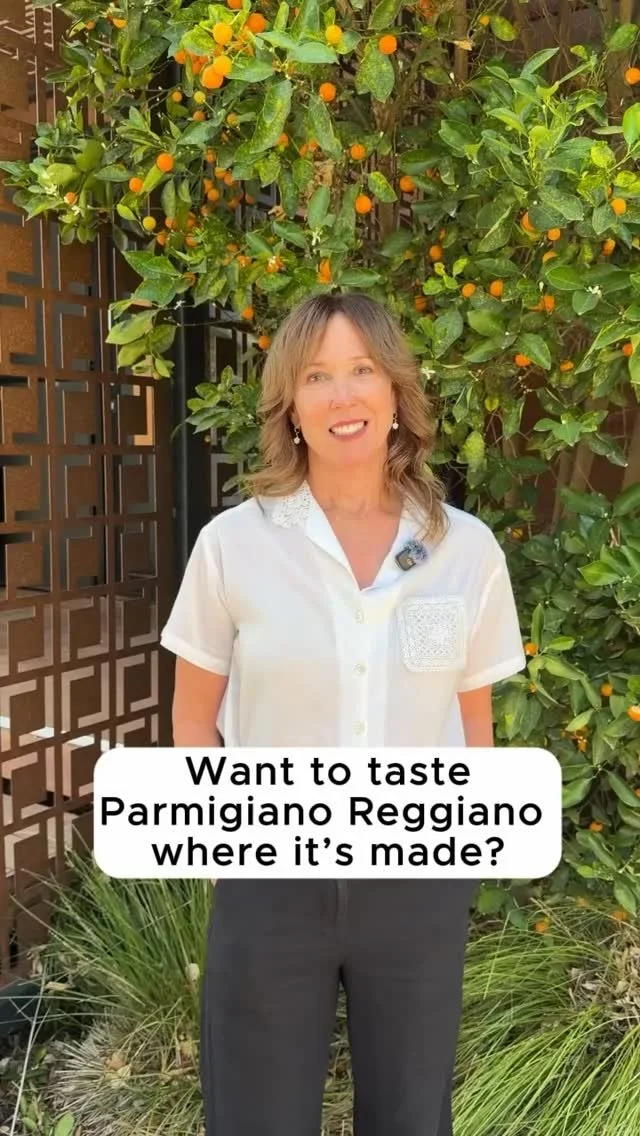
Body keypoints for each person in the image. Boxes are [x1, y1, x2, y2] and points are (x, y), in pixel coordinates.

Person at [160, 291, 526, 1136]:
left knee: (410, 1114)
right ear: (290, 406)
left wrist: (459, 859)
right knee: (256, 1116)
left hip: (417, 873)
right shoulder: (234, 546)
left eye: (362, 369)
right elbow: (193, 719)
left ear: (396, 390)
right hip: (269, 875)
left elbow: (474, 725)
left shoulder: (463, 550)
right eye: (317, 376)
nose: (342, 395)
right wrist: (228, 860)